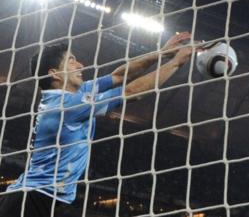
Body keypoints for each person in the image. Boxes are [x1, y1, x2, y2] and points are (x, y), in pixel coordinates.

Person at [0, 32, 198, 217]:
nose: (80, 65)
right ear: (55, 74)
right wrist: (176, 62)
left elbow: (120, 76)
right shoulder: (67, 105)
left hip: (41, 199)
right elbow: (130, 92)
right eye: (71, 61)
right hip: (29, 201)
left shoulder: (73, 94)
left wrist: (161, 54)